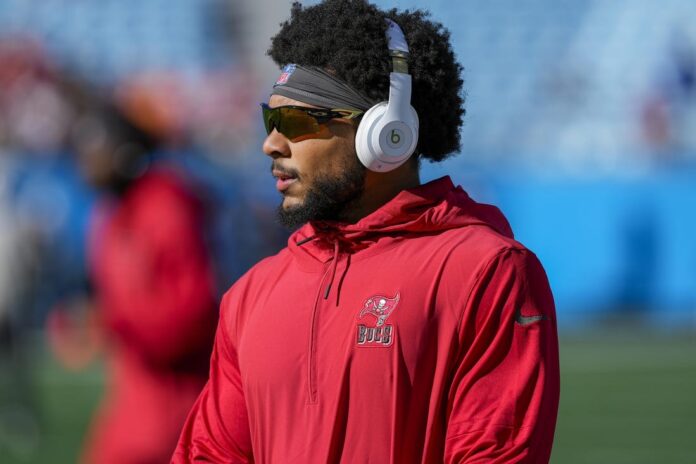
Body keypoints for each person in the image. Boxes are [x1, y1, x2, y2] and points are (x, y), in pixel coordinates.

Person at [173, 0, 560, 462]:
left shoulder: (487, 272)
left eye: (295, 122)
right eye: (269, 121)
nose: (271, 144)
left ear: (386, 133)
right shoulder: (249, 295)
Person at [69, 104, 219, 464]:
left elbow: (190, 315)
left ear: (123, 150)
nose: (83, 157)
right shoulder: (110, 215)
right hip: (138, 394)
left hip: (178, 399)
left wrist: (111, 321)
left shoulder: (166, 207)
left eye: (92, 144)